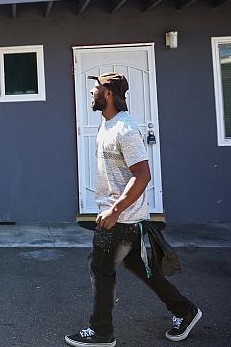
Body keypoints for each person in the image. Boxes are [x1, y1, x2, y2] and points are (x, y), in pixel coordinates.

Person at [65, 73, 201, 347]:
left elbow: (142, 175)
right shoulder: (107, 126)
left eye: (95, 89)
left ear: (109, 94)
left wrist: (115, 211)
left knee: (101, 269)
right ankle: (184, 310)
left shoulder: (125, 130)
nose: (91, 93)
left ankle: (101, 332)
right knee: (142, 268)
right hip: (128, 217)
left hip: (122, 219)